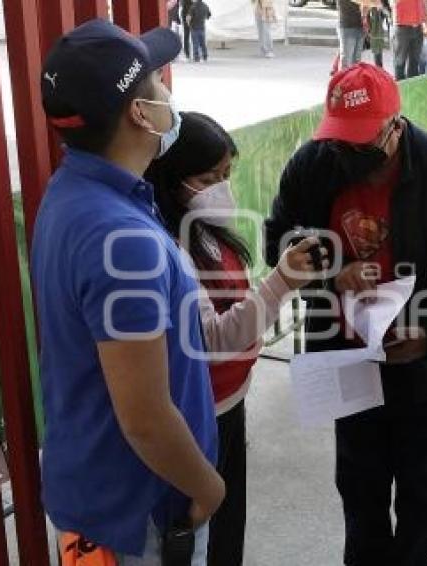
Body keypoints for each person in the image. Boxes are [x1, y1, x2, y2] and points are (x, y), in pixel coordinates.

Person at [264, 63, 427, 566]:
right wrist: (332, 269)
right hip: (345, 363)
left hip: (423, 371)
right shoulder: (313, 164)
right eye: (340, 141)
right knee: (360, 496)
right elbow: (277, 240)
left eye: (362, 144)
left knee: (422, 500)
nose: (348, 156)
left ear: (396, 126)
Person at [34, 19, 222, 564]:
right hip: (139, 518)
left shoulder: (76, 195)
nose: (170, 95)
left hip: (102, 501)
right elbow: (144, 415)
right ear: (141, 113)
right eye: (160, 85)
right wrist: (208, 487)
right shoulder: (122, 238)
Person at [145, 112, 323, 566]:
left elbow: (236, 301)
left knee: (228, 528)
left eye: (226, 174)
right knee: (207, 528)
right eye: (208, 177)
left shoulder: (202, 230)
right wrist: (281, 282)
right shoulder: (169, 246)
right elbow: (215, 337)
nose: (222, 187)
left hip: (231, 398)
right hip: (200, 411)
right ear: (170, 177)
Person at [393, 0, 425, 79]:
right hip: (402, 26)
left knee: (415, 62)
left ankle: (412, 89)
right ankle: (400, 89)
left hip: (418, 26)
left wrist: (425, 20)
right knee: (400, 62)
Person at [338, 0, 366, 69]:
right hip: (347, 27)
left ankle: (354, 79)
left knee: (357, 61)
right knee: (346, 61)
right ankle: (344, 79)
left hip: (360, 26)